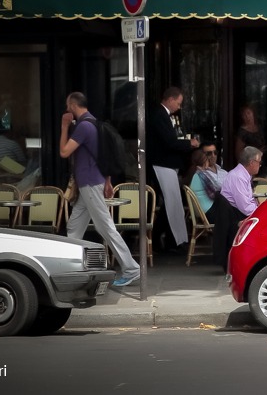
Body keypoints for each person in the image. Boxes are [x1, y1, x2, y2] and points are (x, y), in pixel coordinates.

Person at [60, 92, 140, 288]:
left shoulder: (83, 127)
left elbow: (64, 152)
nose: (66, 109)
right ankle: (68, 266)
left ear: (72, 105)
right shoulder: (95, 124)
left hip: (88, 183)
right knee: (74, 227)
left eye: (67, 106)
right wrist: (107, 180)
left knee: (105, 226)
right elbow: (103, 155)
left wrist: (64, 127)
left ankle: (131, 268)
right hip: (93, 181)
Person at [147, 86, 199, 254]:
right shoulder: (159, 115)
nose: (179, 106)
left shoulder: (163, 115)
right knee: (172, 203)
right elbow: (169, 142)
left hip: (166, 165)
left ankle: (166, 239)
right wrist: (188, 144)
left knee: (172, 203)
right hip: (162, 164)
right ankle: (171, 241)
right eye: (178, 102)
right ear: (170, 99)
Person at [212, 146, 263, 271]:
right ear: (251, 163)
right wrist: (261, 210)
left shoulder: (243, 175)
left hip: (235, 213)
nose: (260, 165)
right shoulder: (238, 177)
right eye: (259, 162)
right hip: (233, 217)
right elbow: (245, 207)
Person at [190, 140, 227, 215]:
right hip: (213, 211)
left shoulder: (224, 172)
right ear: (202, 155)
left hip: (223, 208)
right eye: (209, 153)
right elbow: (218, 189)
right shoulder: (200, 173)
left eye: (215, 152)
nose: (213, 156)